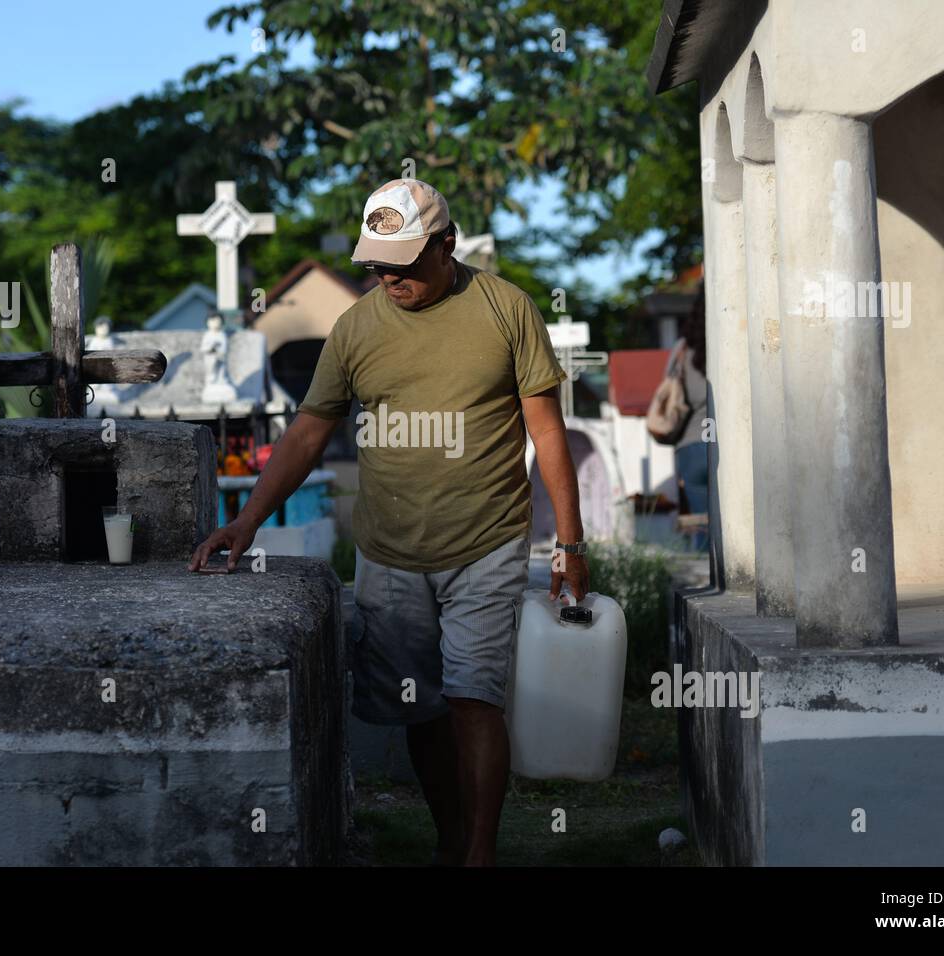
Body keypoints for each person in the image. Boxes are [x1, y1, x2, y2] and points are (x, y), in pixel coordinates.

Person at [189, 178, 589, 867]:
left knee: (473, 699)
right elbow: (309, 433)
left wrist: (570, 544)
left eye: (402, 263)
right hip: (389, 550)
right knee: (420, 709)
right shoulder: (356, 328)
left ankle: (481, 854)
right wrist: (248, 519)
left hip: (486, 541)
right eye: (376, 265)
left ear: (447, 246)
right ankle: (448, 837)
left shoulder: (505, 309)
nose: (388, 278)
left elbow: (547, 433)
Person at [672, 292, 709, 550]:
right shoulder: (730, 344)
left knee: (702, 526)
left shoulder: (683, 351)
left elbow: (670, 390)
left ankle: (705, 584)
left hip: (691, 446)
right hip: (727, 444)